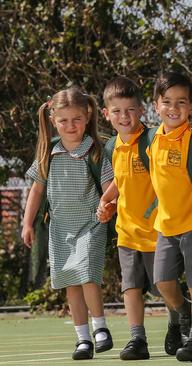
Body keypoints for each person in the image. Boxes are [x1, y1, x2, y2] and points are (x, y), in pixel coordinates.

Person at [21, 87, 114, 360]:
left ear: (87, 117)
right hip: (60, 230)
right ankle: (83, 338)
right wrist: (27, 224)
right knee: (70, 283)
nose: (70, 126)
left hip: (91, 225)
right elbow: (36, 191)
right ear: (53, 121)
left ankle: (100, 328)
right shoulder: (48, 153)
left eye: (76, 119)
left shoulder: (96, 151)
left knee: (86, 275)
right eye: (63, 121)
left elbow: (110, 187)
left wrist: (107, 207)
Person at [95, 77, 184, 360]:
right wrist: (105, 201)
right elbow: (121, 181)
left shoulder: (153, 140)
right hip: (127, 233)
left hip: (159, 231)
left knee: (164, 288)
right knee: (131, 287)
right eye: (117, 111)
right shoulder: (112, 147)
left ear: (142, 110)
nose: (124, 117)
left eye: (130, 110)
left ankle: (176, 323)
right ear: (106, 114)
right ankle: (138, 339)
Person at [147, 71, 192, 362]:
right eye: (166, 102)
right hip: (165, 224)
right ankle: (183, 311)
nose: (173, 108)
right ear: (155, 105)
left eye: (181, 102)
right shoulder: (152, 138)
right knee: (162, 281)